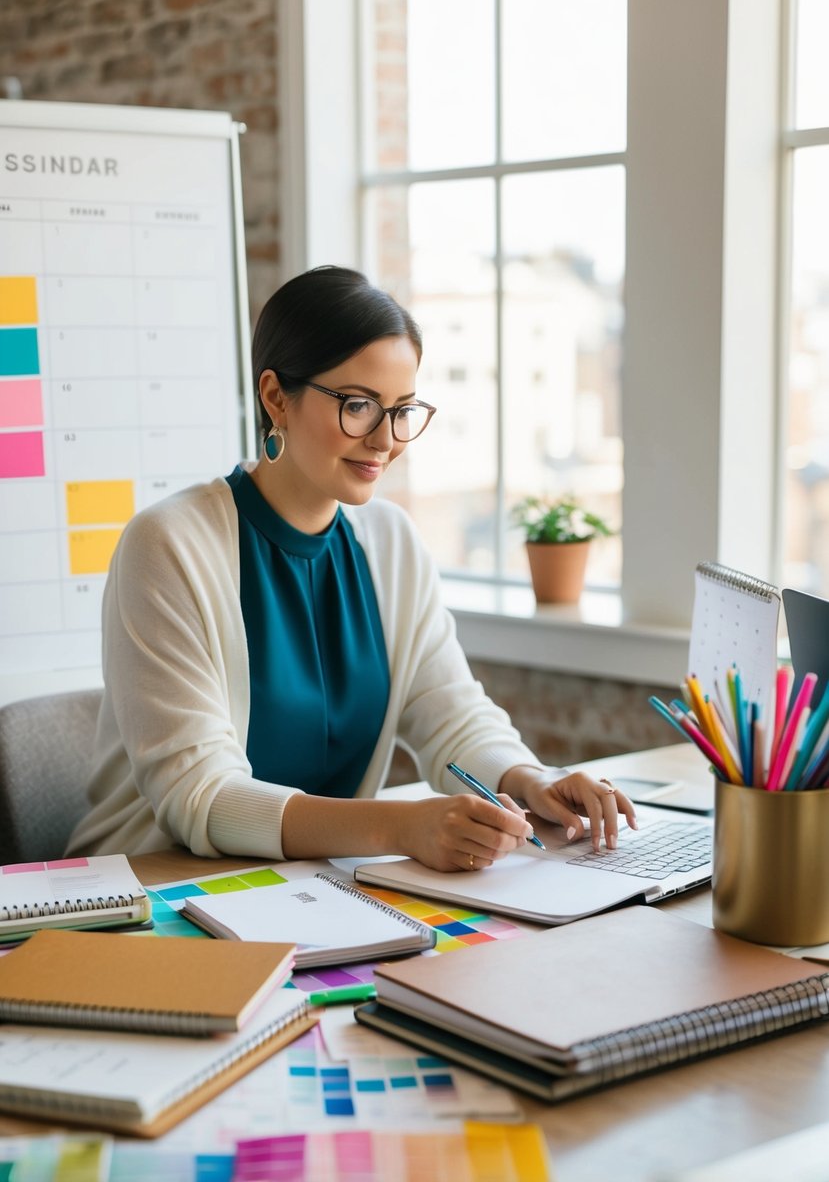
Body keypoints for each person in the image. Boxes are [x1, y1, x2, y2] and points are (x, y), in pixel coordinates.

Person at [67, 266, 636, 869]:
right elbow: (201, 798)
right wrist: (400, 827)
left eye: (402, 409)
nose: (385, 439)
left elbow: (452, 715)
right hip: (153, 894)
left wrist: (531, 780)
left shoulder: (391, 542)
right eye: (359, 405)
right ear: (275, 397)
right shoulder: (168, 546)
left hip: (317, 892)